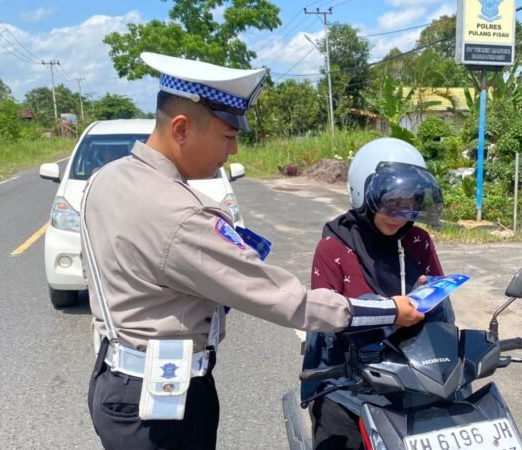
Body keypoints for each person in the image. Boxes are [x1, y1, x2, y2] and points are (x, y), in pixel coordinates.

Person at [82, 53, 424, 450]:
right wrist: (389, 310)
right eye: (228, 136)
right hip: (159, 407)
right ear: (181, 128)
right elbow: (289, 303)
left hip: (117, 383)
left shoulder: (107, 179)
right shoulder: (178, 215)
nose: (233, 151)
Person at [300, 138, 455, 449]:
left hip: (413, 376)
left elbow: (442, 304)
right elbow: (326, 318)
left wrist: (431, 294)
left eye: (409, 203)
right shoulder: (334, 246)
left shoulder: (418, 240)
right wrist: (381, 310)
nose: (399, 215)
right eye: (389, 203)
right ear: (364, 193)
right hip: (348, 382)